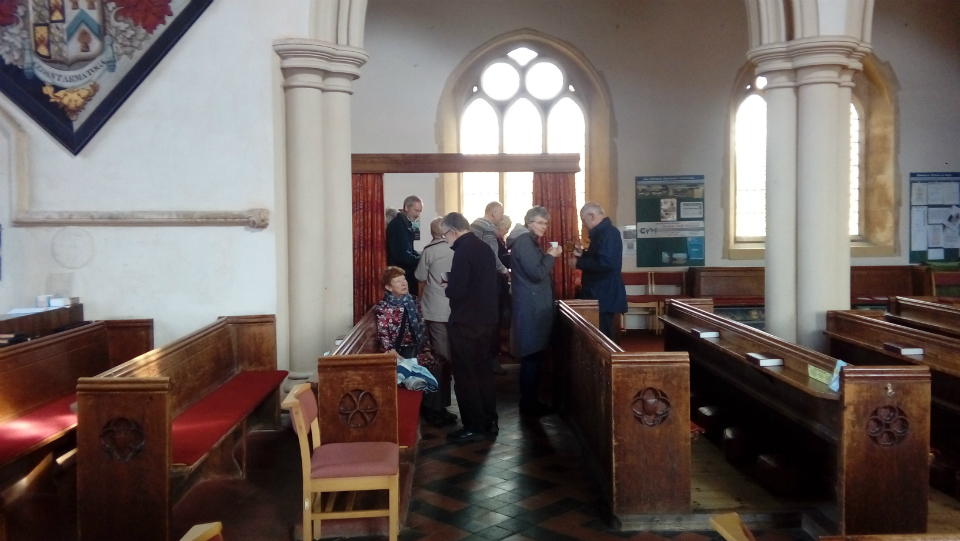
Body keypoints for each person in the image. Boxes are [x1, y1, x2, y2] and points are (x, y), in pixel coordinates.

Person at [442, 212, 499, 442]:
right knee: (484, 371)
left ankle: (473, 426)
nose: (445, 239)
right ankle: (490, 420)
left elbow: (457, 291)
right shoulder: (485, 247)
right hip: (487, 320)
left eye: (445, 234)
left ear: (453, 231)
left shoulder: (463, 251)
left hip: (465, 322)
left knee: (466, 375)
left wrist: (447, 285)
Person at [507, 206, 563, 416]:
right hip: (531, 308)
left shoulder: (526, 240)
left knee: (533, 356)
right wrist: (550, 255)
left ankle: (530, 402)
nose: (544, 227)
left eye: (546, 223)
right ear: (529, 222)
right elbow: (537, 273)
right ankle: (529, 404)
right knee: (532, 357)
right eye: (540, 222)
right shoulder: (523, 242)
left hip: (532, 305)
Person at [414, 217, 458, 427]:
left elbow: (419, 275)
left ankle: (435, 406)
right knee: (449, 358)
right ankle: (442, 404)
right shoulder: (455, 248)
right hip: (456, 308)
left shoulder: (430, 251)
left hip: (435, 310)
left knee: (439, 358)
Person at [570, 202, 627, 339]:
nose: (583, 224)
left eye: (583, 220)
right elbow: (599, 258)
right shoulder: (602, 233)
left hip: (604, 294)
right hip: (600, 293)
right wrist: (583, 254)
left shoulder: (609, 233)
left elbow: (606, 263)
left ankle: (606, 361)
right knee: (599, 335)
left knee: (603, 337)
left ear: (591, 216)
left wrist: (579, 262)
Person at [373, 265, 436, 370]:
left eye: (404, 279)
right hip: (397, 351)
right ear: (388, 287)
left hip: (416, 348)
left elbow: (422, 325)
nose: (404, 283)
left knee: (438, 366)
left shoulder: (414, 300)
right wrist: (395, 355)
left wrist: (426, 349)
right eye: (398, 281)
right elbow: (383, 335)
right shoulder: (383, 307)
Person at [472, 202, 510, 373]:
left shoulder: (474, 225)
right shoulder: (487, 227)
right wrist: (504, 270)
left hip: (476, 282)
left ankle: (481, 360)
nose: (501, 217)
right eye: (500, 214)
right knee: (492, 321)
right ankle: (491, 361)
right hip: (488, 281)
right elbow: (491, 255)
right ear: (494, 212)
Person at [387, 196, 423, 295]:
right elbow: (403, 256)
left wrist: (418, 255)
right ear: (407, 207)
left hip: (404, 273)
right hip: (401, 274)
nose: (418, 215)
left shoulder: (404, 224)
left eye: (419, 211)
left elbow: (408, 250)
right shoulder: (398, 225)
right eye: (416, 211)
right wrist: (420, 259)